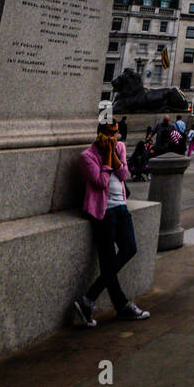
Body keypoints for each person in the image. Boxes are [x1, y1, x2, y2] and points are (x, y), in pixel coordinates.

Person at [71, 123, 149, 326]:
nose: (114, 138)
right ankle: (122, 307)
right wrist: (107, 158)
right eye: (109, 134)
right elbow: (100, 182)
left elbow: (124, 176)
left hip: (121, 207)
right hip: (102, 212)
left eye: (116, 134)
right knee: (107, 261)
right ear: (100, 136)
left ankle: (89, 298)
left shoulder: (120, 148)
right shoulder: (86, 157)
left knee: (130, 248)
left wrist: (113, 154)